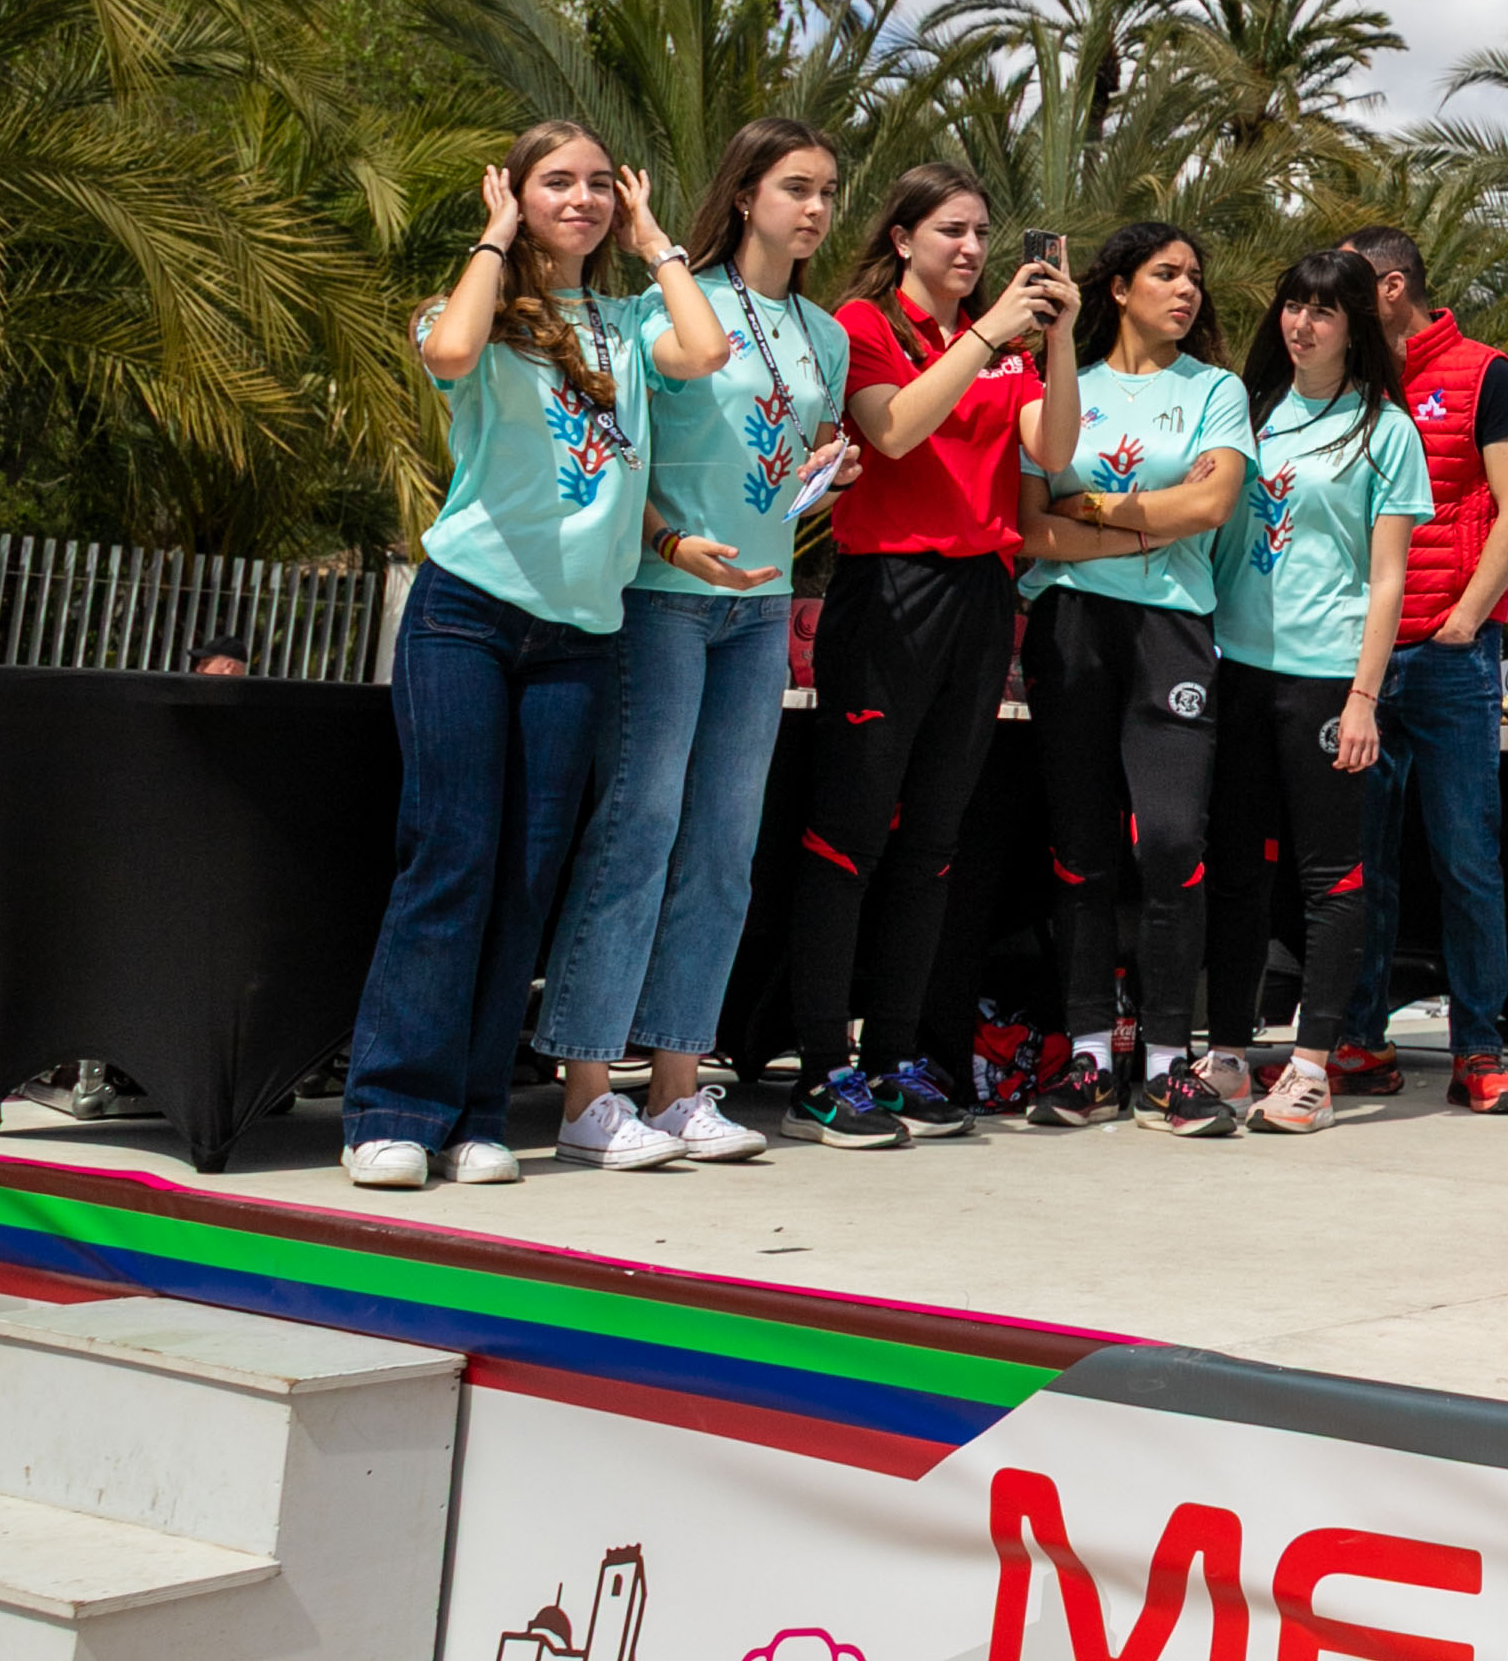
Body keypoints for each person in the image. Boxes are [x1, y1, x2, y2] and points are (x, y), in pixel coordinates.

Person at [342, 123, 732, 1189]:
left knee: (525, 877)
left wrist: (655, 242)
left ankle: (476, 1117)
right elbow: (450, 356)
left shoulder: (631, 322)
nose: (584, 198)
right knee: (452, 857)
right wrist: (495, 235)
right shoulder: (464, 306)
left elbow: (706, 352)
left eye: (601, 183)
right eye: (557, 181)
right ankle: (391, 1110)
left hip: (578, 636)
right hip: (467, 614)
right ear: (513, 193)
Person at [537, 117, 855, 1173]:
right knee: (639, 831)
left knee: (724, 847)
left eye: (828, 192)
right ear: (747, 192)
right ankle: (587, 1092)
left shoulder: (825, 333)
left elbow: (796, 462)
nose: (816, 209)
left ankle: (678, 1090)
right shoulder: (658, 309)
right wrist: (674, 542)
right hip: (664, 600)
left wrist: (825, 478)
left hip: (760, 610)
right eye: (797, 187)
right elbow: (619, 457)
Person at [792, 166, 1079, 1149]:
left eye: (983, 234)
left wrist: (1060, 339)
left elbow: (1055, 451)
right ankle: (821, 1067)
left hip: (981, 597)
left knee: (933, 843)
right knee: (849, 836)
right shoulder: (863, 324)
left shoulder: (1002, 346)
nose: (972, 249)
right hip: (889, 591)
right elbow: (892, 429)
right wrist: (991, 334)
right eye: (952, 230)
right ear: (903, 236)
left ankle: (893, 1056)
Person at [1012, 220, 1253, 1129]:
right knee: (1081, 844)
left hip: (1173, 632)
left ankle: (1164, 1061)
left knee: (1172, 842)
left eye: (1195, 276)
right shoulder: (1062, 386)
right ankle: (1085, 1057)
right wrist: (1149, 523)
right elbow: (1034, 527)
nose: (1187, 290)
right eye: (1166, 274)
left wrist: (1102, 508)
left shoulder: (1216, 390)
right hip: (1071, 624)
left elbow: (1213, 502)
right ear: (1117, 288)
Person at [1191, 249, 1427, 1139]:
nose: (1302, 324)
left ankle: (1313, 1066)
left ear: (1355, 324)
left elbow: (1389, 578)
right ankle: (1226, 1055)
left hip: (1329, 677)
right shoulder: (1246, 412)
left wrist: (1365, 696)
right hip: (1237, 669)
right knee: (1236, 873)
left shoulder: (1385, 430)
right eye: (1293, 305)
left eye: (1323, 311)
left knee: (1331, 876)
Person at [1330, 224, 1508, 1119]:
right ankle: (1359, 1039)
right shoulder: (1345, 382)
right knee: (1362, 862)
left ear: (1390, 287)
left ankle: (1479, 1049)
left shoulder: (1485, 374)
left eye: (1348, 281)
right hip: (1361, 657)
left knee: (1465, 858)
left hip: (1451, 654)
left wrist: (1464, 620)